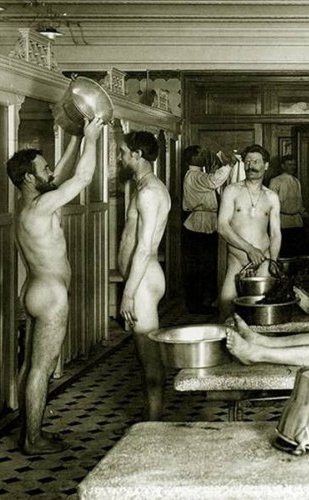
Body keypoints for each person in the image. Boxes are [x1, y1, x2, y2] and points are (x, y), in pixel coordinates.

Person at [8, 117, 103, 454]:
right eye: (43, 168)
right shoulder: (40, 207)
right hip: (49, 296)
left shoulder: (28, 206)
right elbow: (83, 178)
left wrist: (76, 140)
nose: (50, 172)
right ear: (29, 177)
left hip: (35, 290)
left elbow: (59, 177)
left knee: (31, 366)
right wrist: (92, 137)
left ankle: (28, 431)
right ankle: (33, 439)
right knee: (41, 369)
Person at [117, 130, 172, 421]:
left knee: (147, 352)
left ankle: (153, 420)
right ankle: (152, 412)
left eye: (124, 152)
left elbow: (143, 247)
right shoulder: (142, 187)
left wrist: (128, 292)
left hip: (143, 281)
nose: (120, 157)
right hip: (142, 278)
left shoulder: (150, 192)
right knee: (143, 352)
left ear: (137, 155)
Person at [218, 144, 282, 320]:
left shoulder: (272, 197)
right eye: (247, 161)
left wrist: (273, 262)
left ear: (266, 165)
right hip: (237, 261)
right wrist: (249, 249)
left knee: (260, 311)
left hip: (264, 260)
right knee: (225, 305)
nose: (250, 165)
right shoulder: (232, 191)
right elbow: (222, 226)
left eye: (256, 161)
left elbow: (275, 233)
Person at [182, 145, 232, 313]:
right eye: (202, 154)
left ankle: (204, 302)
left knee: (205, 266)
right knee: (199, 267)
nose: (205, 156)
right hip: (198, 224)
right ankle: (196, 305)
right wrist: (228, 165)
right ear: (193, 158)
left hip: (206, 221)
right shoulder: (194, 175)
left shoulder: (198, 175)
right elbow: (213, 181)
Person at [269, 154, 307, 257]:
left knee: (296, 253)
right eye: (289, 164)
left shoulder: (296, 181)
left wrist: (302, 211)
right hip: (283, 223)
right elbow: (271, 203)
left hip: (297, 222)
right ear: (283, 166)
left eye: (294, 165)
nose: (292, 167)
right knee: (285, 252)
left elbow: (299, 201)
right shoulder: (276, 181)